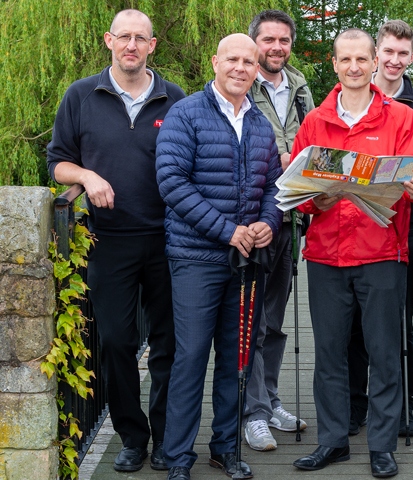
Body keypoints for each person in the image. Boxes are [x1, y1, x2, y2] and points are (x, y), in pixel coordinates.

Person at [290, 28, 413, 479]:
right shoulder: (315, 121)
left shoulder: (400, 118)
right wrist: (319, 198)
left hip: (381, 253)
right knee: (330, 353)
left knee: (384, 352)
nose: (353, 67)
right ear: (334, 64)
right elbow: (297, 194)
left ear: (375, 62)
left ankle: (381, 444)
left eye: (361, 59)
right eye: (344, 60)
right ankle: (332, 441)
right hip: (326, 255)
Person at [46, 9, 185, 473]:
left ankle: (167, 437)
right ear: (109, 40)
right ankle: (132, 435)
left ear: (151, 46)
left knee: (168, 343)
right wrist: (86, 176)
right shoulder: (81, 95)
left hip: (169, 238)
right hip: (108, 239)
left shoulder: (175, 99)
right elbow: (59, 163)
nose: (131, 45)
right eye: (123, 36)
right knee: (118, 342)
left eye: (140, 38)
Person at [155, 33, 283, 480]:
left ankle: (224, 448)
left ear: (256, 68)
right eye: (233, 59)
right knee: (190, 358)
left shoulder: (262, 124)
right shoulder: (185, 114)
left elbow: (274, 187)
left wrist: (269, 222)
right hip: (196, 258)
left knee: (236, 358)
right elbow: (171, 182)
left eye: (249, 61)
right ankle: (178, 458)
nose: (241, 68)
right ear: (215, 61)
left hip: (247, 264)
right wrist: (229, 231)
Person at [347, 19, 413, 438]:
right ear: (376, 54)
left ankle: (403, 404)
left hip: (399, 231)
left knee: (401, 320)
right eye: (389, 52)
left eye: (404, 54)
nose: (395, 60)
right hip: (350, 229)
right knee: (353, 325)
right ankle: (355, 404)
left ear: (411, 57)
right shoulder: (356, 96)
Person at [242, 9, 315, 452]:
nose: (276, 48)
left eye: (283, 40)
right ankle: (251, 412)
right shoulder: (239, 81)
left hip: (290, 219)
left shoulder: (302, 89)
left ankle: (268, 400)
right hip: (250, 222)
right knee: (250, 321)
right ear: (255, 44)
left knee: (275, 319)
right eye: (268, 40)